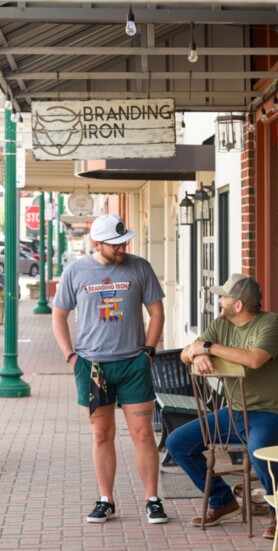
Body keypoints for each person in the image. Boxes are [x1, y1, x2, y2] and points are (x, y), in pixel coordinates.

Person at [166, 273, 278, 538]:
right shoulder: (221, 325)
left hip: (276, 414)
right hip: (235, 413)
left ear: (238, 304)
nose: (219, 301)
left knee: (258, 449)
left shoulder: (271, 324)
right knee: (177, 443)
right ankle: (223, 501)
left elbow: (253, 360)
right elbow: (185, 353)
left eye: (224, 297)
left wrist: (207, 347)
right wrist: (196, 354)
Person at [52, 213, 168, 525]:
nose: (122, 247)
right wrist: (71, 357)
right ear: (97, 243)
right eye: (115, 243)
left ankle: (152, 500)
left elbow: (157, 312)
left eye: (124, 241)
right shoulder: (76, 271)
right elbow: (58, 315)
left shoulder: (139, 266)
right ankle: (106, 500)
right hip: (92, 367)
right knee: (102, 434)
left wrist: (149, 351)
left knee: (143, 433)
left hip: (134, 364)